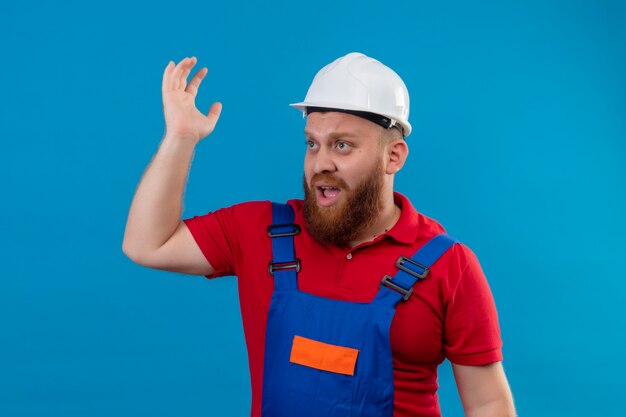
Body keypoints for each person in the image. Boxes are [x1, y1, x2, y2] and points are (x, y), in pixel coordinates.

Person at [122, 52, 516, 417]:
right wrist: (180, 139)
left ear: (392, 156)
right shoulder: (259, 231)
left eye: (342, 145)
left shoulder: (448, 265)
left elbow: (487, 403)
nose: (321, 162)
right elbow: (147, 245)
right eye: (312, 143)